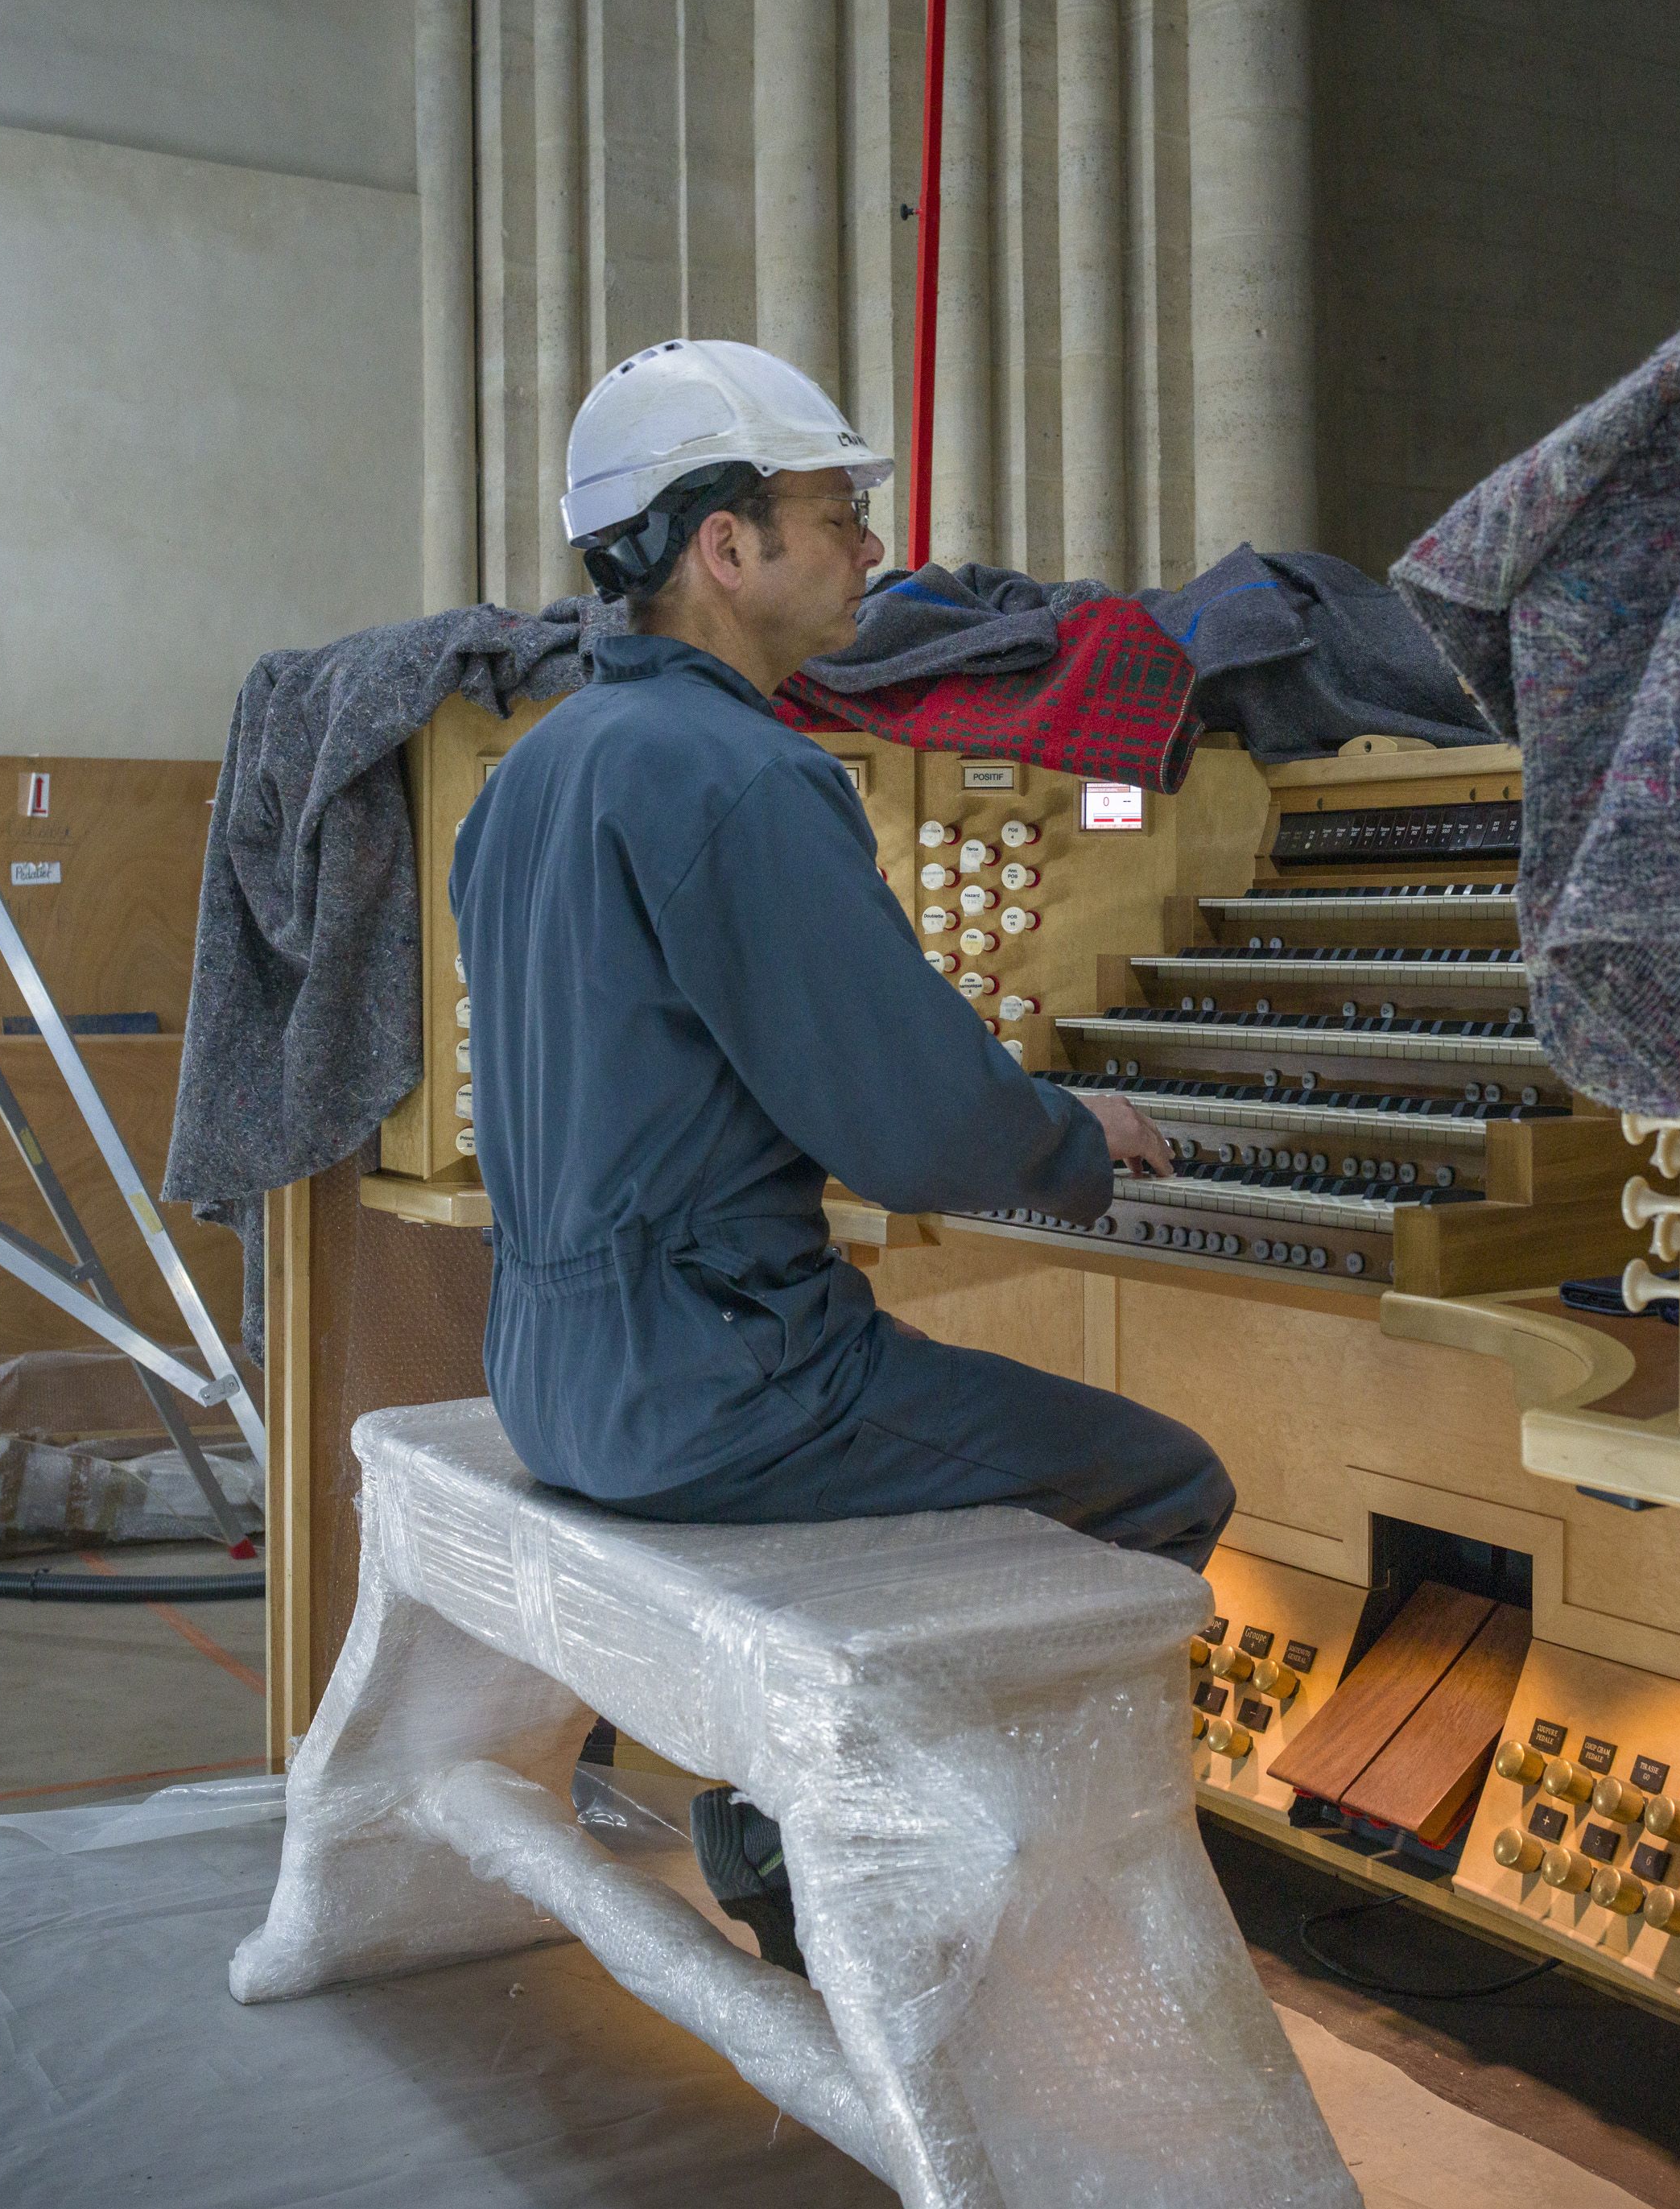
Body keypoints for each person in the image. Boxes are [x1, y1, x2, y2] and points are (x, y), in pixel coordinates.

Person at [449, 340, 1234, 1960]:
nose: (873, 546)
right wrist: (1072, 1135)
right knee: (1161, 1481)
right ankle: (893, 1881)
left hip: (553, 1371)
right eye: (835, 512)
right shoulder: (739, 775)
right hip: (722, 1390)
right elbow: (917, 1132)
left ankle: (816, 1814)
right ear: (724, 546)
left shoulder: (533, 775)